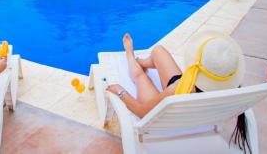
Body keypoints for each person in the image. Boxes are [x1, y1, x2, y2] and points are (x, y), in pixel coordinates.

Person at [107, 31, 250, 153]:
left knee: (141, 77)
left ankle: (130, 56)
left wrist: (121, 92)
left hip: (170, 113)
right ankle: (142, 62)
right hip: (195, 102)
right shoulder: (232, 90)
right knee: (158, 51)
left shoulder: (176, 90)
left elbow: (141, 111)